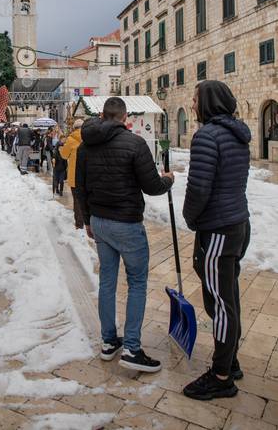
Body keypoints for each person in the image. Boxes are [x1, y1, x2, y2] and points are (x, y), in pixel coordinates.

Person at [75, 97, 174, 371]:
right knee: (137, 282)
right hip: (127, 223)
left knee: (107, 280)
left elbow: (79, 187)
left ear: (102, 115)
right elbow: (152, 186)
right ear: (124, 116)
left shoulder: (85, 146)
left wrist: (87, 221)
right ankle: (131, 347)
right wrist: (169, 179)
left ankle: (109, 342)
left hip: (100, 221)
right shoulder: (135, 143)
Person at [182, 80, 251, 401]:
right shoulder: (237, 133)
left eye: (195, 99)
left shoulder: (207, 136)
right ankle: (230, 360)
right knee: (229, 296)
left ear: (207, 102)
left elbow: (199, 189)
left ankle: (221, 376)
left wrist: (191, 218)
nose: (192, 104)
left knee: (220, 304)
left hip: (217, 229)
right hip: (238, 222)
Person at [59, 119, 85, 229]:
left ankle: (79, 224)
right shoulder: (89, 138)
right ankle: (90, 221)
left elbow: (64, 155)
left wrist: (61, 148)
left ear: (74, 128)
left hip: (75, 175)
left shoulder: (70, 139)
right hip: (89, 174)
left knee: (77, 201)